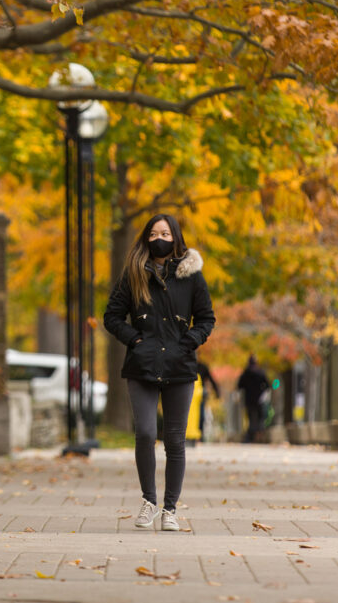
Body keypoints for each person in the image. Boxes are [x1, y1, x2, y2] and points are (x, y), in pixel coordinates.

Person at [104, 214, 215, 532]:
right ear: (145, 238)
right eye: (153, 233)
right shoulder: (134, 273)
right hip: (142, 365)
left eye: (165, 233)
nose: (159, 238)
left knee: (175, 440)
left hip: (179, 366)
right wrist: (135, 340)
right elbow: (112, 315)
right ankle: (148, 501)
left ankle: (170, 508)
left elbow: (206, 318)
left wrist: (189, 342)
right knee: (146, 434)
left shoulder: (192, 276)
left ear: (176, 238)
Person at [237, 355, 268, 443]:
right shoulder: (261, 373)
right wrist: (264, 394)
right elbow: (267, 385)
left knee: (251, 418)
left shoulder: (245, 373)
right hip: (259, 399)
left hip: (249, 399)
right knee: (259, 417)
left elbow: (239, 386)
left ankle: (251, 435)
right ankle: (258, 434)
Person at [196, 360, 221, 442]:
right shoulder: (187, 364)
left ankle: (200, 435)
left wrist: (217, 391)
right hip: (189, 393)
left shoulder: (203, 367)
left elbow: (211, 379)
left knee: (201, 415)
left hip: (200, 394)